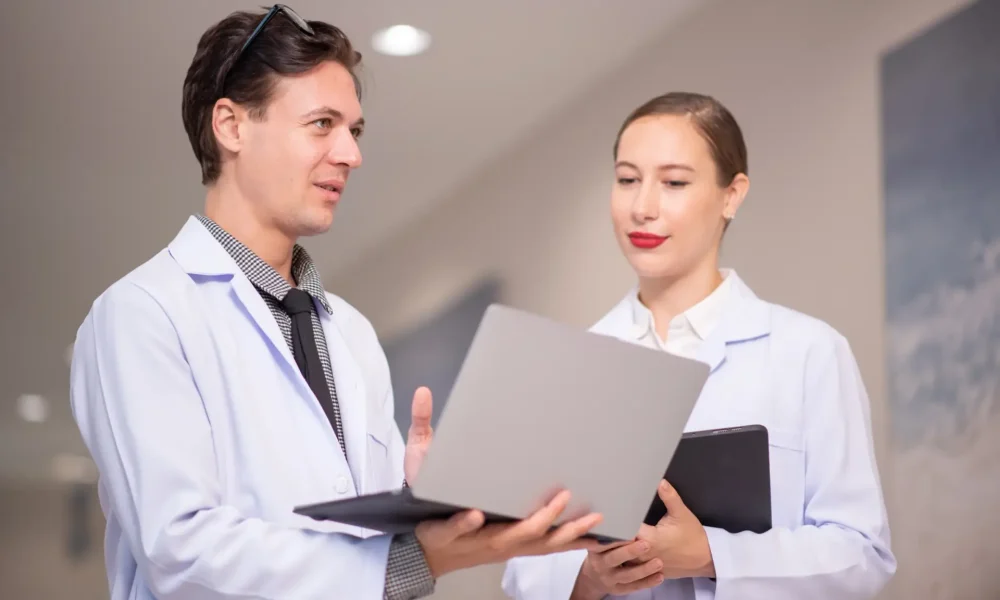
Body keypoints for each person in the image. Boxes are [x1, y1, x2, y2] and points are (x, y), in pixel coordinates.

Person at [68, 5, 603, 600]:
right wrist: (410, 558)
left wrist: (424, 507)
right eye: (322, 124)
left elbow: (358, 538)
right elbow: (181, 549)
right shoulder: (143, 313)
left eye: (355, 130)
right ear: (232, 125)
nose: (351, 154)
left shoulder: (349, 331)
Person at [500, 92, 897, 599]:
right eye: (627, 180)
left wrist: (711, 554)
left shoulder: (809, 352)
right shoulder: (572, 367)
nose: (642, 207)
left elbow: (861, 553)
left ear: (732, 194)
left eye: (674, 183)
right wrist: (588, 577)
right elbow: (522, 568)